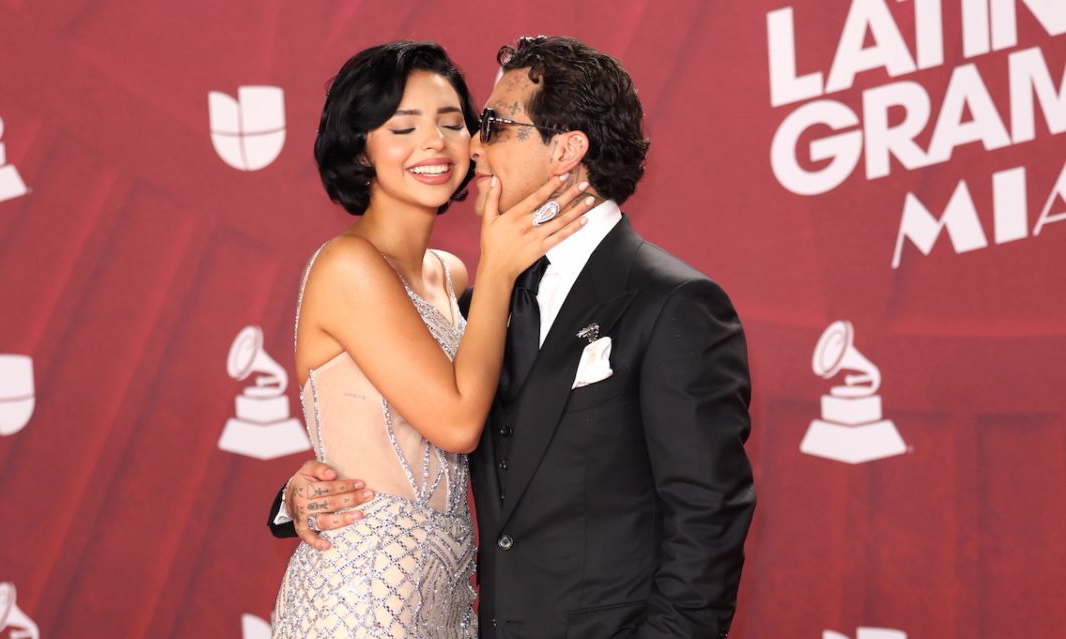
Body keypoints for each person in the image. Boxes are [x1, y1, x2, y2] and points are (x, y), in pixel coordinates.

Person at [272, 36, 756, 638]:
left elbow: (707, 517)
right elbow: (436, 426)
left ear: (567, 150)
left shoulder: (670, 303)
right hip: (377, 603)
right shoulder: (484, 294)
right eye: (404, 126)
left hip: (464, 612)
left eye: (480, 123)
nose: (466, 144)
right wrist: (302, 493)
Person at [269, 41, 594, 639]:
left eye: (452, 123)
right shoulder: (348, 266)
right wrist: (499, 268)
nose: (434, 144)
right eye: (402, 126)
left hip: (450, 593)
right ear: (359, 148)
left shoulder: (453, 274)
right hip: (360, 595)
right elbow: (456, 423)